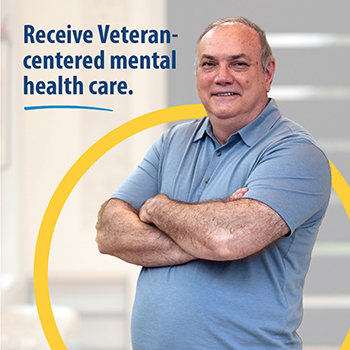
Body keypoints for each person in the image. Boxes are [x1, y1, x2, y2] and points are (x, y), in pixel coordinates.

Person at [96, 17, 331, 350]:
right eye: (209, 64)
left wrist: (156, 206)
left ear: (267, 73)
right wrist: (203, 235)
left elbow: (225, 239)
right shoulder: (172, 142)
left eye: (238, 64)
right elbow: (109, 232)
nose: (222, 77)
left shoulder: (297, 154)